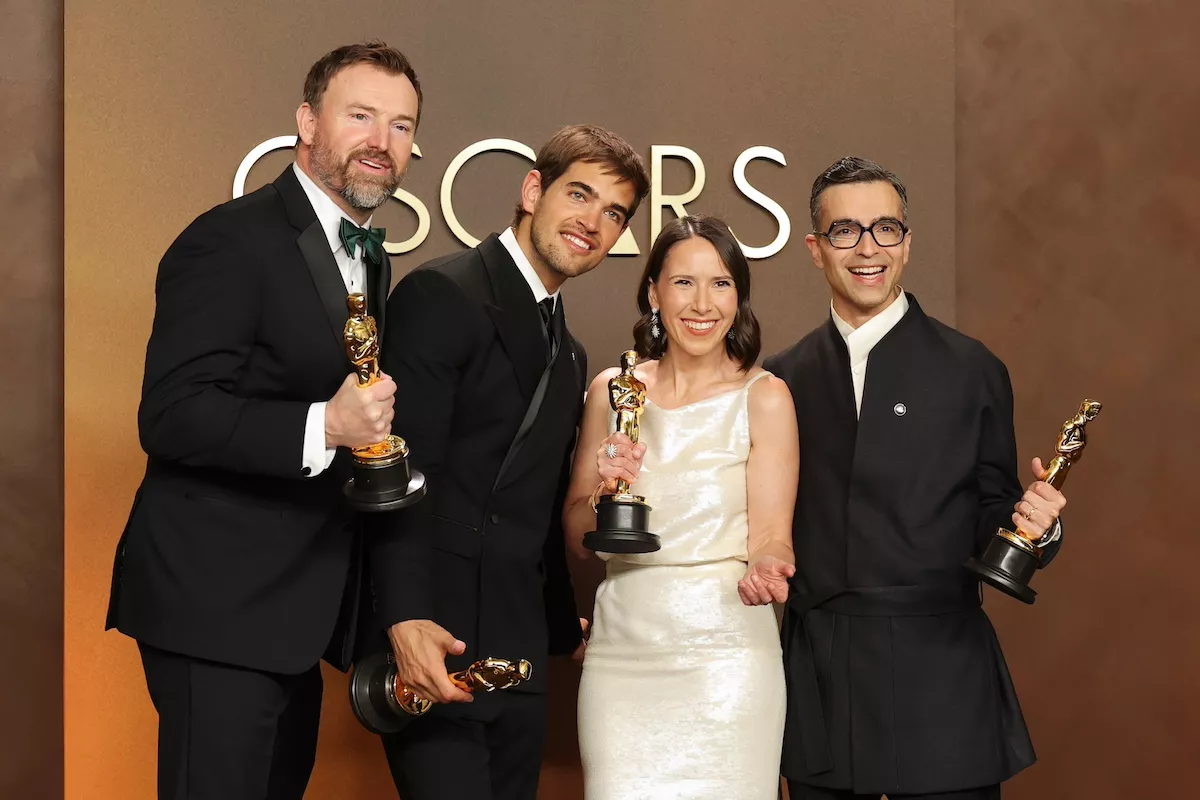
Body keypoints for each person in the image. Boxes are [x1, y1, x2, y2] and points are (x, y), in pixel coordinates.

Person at [103, 41, 421, 799]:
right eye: (361, 116)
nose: (383, 141)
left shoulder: (372, 260)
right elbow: (173, 415)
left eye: (403, 125)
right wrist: (327, 427)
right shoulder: (228, 239)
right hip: (213, 609)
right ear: (307, 123)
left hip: (295, 619)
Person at [763, 156, 1068, 800]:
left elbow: (995, 511)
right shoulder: (779, 380)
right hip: (823, 672)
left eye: (886, 229)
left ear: (908, 242)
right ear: (816, 250)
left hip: (942, 672)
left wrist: (1035, 527)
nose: (867, 248)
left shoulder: (972, 369)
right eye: (845, 231)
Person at [367, 124, 651, 800]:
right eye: (578, 195)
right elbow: (397, 474)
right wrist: (403, 619)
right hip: (436, 637)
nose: (593, 222)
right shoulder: (443, 294)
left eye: (614, 213)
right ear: (532, 191)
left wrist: (561, 625)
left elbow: (535, 507)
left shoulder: (573, 351)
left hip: (519, 650)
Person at [563, 214, 800, 799]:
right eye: (683, 283)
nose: (702, 304)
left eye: (720, 283)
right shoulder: (611, 392)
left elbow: (771, 533)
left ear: (738, 297)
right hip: (624, 654)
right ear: (653, 292)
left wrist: (770, 566)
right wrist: (602, 492)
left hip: (728, 656)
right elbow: (576, 533)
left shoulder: (765, 397)